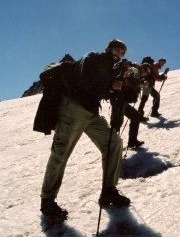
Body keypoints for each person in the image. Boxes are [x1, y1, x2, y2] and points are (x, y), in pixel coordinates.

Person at [39, 39, 131, 220]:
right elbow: (84, 81)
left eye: (122, 52)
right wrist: (109, 86)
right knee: (61, 153)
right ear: (109, 47)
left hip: (91, 113)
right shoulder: (93, 57)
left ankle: (109, 190)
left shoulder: (111, 69)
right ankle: (47, 201)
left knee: (114, 143)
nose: (119, 54)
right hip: (73, 108)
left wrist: (118, 83)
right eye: (118, 49)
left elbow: (109, 92)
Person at [111, 62, 152, 148]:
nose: (145, 74)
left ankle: (132, 141)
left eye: (147, 73)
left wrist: (141, 82)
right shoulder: (135, 70)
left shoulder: (136, 72)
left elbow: (132, 79)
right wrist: (140, 84)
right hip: (119, 99)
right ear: (142, 68)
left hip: (123, 100)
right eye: (146, 71)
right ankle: (112, 147)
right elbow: (128, 80)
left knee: (136, 117)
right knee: (117, 122)